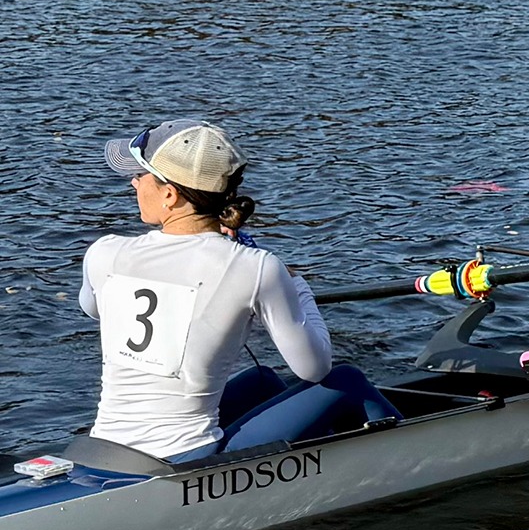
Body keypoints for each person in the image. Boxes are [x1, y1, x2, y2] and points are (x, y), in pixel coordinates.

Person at [87, 119, 396, 462]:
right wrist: (297, 286)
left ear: (170, 194)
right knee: (346, 379)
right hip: (187, 456)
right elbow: (315, 369)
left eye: (140, 175)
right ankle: (405, 458)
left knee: (263, 381)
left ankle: (320, 463)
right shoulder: (256, 266)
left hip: (105, 448)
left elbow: (93, 307)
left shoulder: (104, 252)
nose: (133, 183)